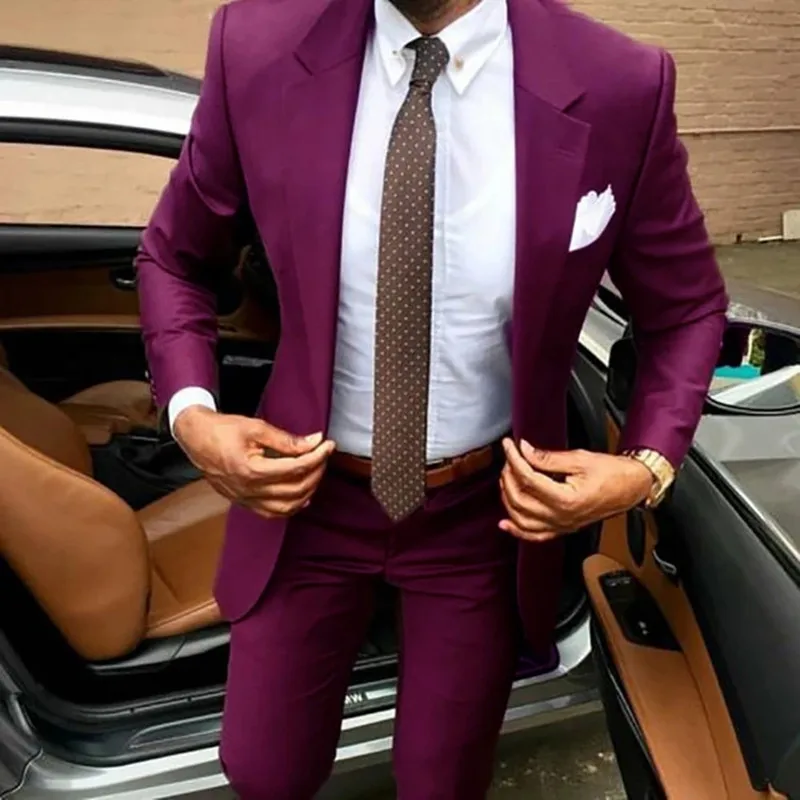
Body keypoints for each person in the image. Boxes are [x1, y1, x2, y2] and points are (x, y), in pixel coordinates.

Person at [135, 0, 728, 796]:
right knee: (264, 769)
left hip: (485, 514)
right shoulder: (257, 47)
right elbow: (173, 258)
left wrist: (643, 467)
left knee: (442, 782)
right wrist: (193, 416)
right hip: (304, 501)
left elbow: (686, 308)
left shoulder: (619, 83)